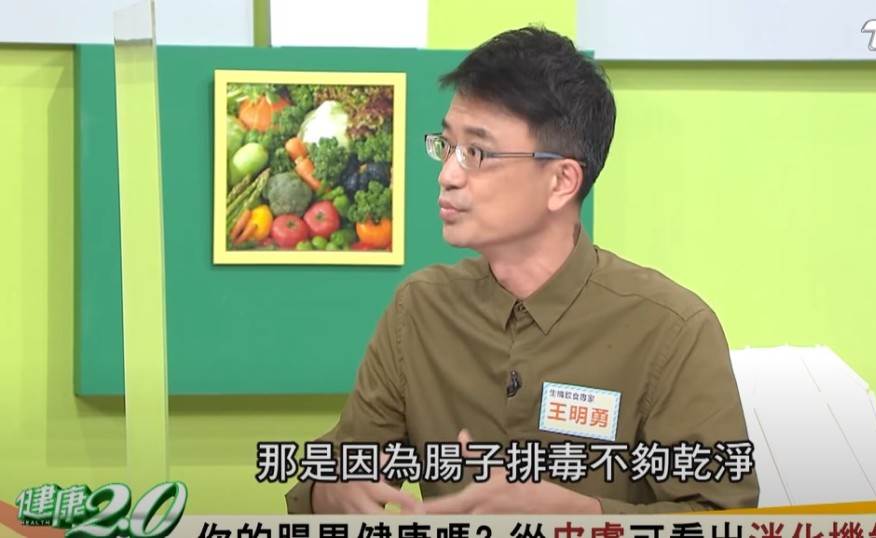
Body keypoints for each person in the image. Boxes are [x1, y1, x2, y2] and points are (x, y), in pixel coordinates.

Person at [286, 26, 758, 515]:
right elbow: (335, 472)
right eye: (446, 146)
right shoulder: (420, 310)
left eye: (477, 153)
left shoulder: (671, 329)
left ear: (561, 181)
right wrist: (333, 490)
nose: (447, 175)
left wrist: (582, 516)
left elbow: (723, 515)